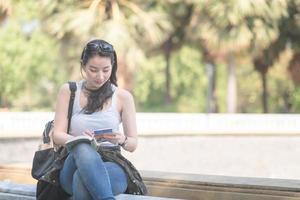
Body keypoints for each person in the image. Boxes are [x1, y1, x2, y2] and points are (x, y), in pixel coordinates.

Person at [52, 39, 141, 200]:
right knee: (82, 147)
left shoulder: (123, 97)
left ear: (113, 66)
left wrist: (122, 140)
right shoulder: (69, 91)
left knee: (82, 180)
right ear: (83, 65)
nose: (100, 76)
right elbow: (57, 135)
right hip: (73, 162)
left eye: (106, 70)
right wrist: (80, 139)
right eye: (93, 70)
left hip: (111, 162)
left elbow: (133, 144)